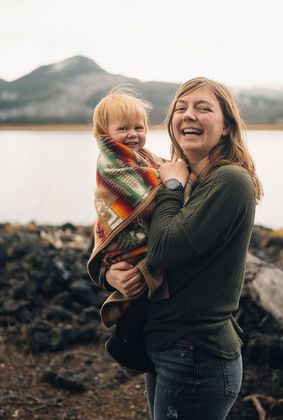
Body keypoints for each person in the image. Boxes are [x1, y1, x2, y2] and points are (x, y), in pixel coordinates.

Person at [105, 77, 263, 419]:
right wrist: (111, 274)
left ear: (225, 127)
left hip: (197, 354)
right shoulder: (175, 175)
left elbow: (164, 249)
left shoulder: (229, 181)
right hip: (165, 346)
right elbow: (133, 238)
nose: (189, 115)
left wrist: (172, 185)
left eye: (203, 108)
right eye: (181, 108)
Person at [87, 86, 172, 374]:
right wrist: (172, 181)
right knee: (139, 293)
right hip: (126, 246)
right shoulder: (112, 164)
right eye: (123, 128)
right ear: (104, 133)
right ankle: (124, 342)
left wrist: (169, 171)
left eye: (139, 127)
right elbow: (138, 193)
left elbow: (158, 170)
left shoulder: (143, 159)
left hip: (140, 242)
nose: (133, 134)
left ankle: (129, 341)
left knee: (142, 292)